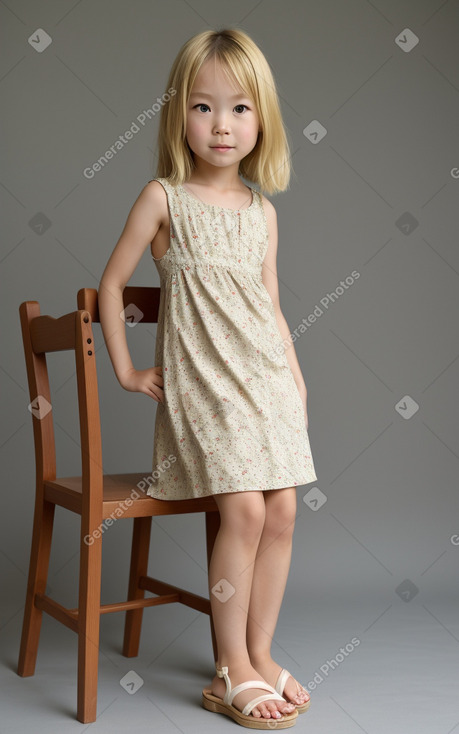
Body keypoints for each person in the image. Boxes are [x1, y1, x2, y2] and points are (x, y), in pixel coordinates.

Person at [98, 27, 317, 730]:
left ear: (262, 120)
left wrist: (296, 378)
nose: (220, 124)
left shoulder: (262, 212)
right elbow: (110, 287)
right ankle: (228, 671)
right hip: (203, 393)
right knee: (245, 510)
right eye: (202, 106)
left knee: (282, 508)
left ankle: (258, 650)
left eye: (239, 108)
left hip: (263, 386)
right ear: (178, 116)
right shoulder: (164, 198)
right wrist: (127, 370)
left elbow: (272, 308)